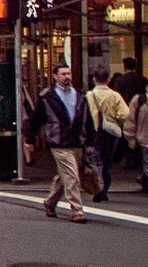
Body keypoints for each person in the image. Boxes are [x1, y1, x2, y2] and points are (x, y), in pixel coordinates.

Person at [23, 63, 94, 224]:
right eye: (63, 74)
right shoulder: (47, 96)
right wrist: (30, 139)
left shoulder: (80, 95)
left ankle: (50, 202)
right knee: (71, 175)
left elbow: (87, 118)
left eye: (69, 74)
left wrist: (91, 139)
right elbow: (36, 119)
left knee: (65, 175)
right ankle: (77, 210)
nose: (67, 77)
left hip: (76, 140)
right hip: (58, 141)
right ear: (55, 76)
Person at [83, 69, 129, 203]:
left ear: (94, 80)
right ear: (108, 80)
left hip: (93, 132)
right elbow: (124, 114)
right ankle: (104, 191)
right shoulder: (115, 96)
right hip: (110, 132)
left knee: (94, 162)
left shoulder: (88, 95)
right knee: (107, 163)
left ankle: (96, 187)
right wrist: (116, 120)